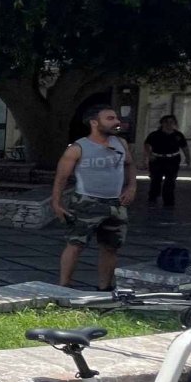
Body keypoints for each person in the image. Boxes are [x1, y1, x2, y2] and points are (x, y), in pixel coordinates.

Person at [52, 103, 135, 289]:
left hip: (116, 204)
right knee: (76, 244)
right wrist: (56, 204)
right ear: (94, 123)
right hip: (86, 202)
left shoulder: (120, 143)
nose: (117, 122)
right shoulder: (77, 148)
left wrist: (131, 187)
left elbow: (130, 165)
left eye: (116, 118)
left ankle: (104, 289)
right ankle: (63, 287)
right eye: (110, 118)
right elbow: (61, 177)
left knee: (111, 247)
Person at [142, 115, 190, 208]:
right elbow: (147, 144)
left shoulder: (178, 135)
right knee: (155, 179)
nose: (169, 124)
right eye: (166, 122)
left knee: (170, 180)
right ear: (162, 123)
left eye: (171, 122)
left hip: (173, 159)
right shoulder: (154, 135)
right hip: (157, 159)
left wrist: (188, 157)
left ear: (175, 124)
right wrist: (149, 155)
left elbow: (184, 147)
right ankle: (153, 197)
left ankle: (168, 201)